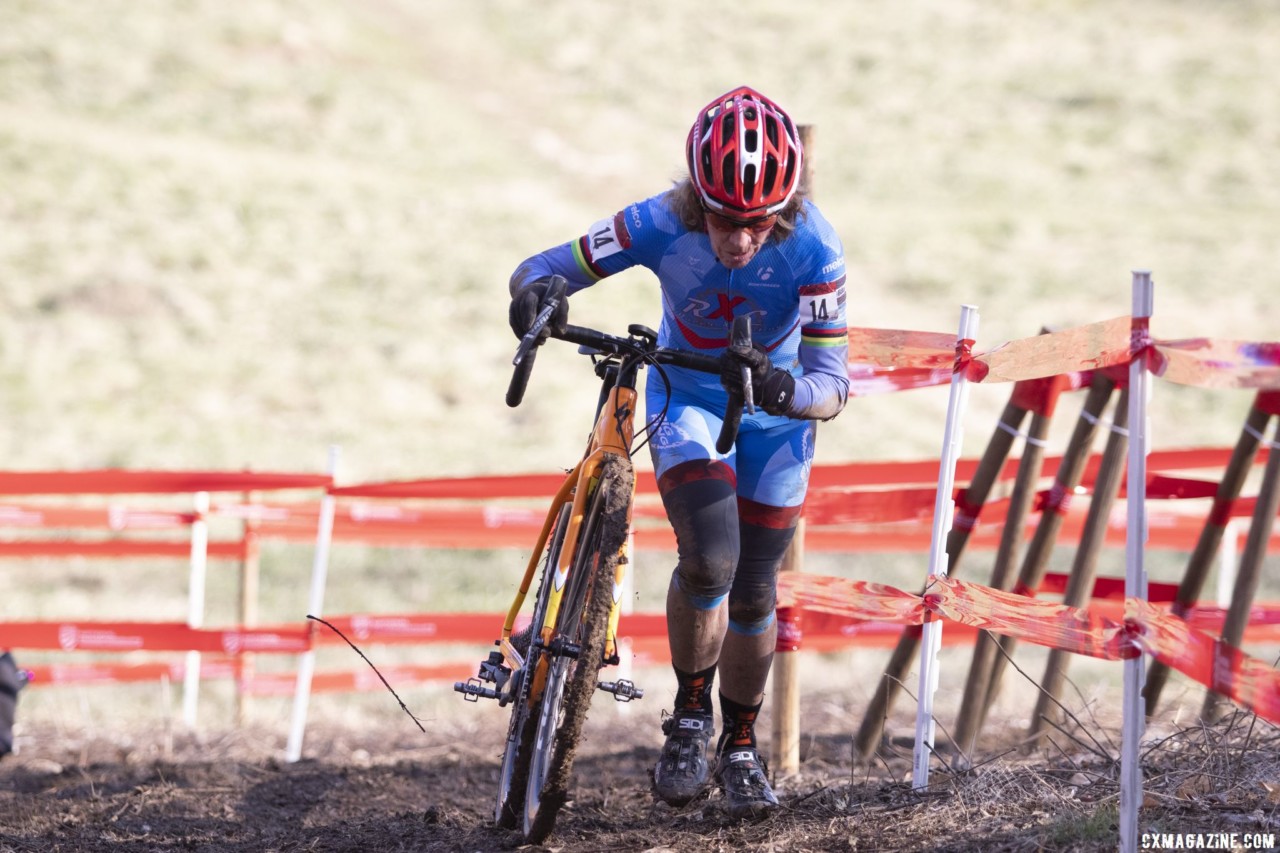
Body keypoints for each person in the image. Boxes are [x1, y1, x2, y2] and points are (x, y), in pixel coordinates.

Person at [507, 86, 848, 818]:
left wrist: (783, 388)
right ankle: (690, 722)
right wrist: (536, 295)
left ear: (782, 210)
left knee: (755, 588)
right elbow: (545, 266)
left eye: (758, 222)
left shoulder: (817, 246)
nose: (741, 239)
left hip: (776, 417)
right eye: (726, 218)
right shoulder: (658, 222)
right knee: (709, 560)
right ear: (699, 200)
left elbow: (833, 384)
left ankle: (742, 745)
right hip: (687, 397)